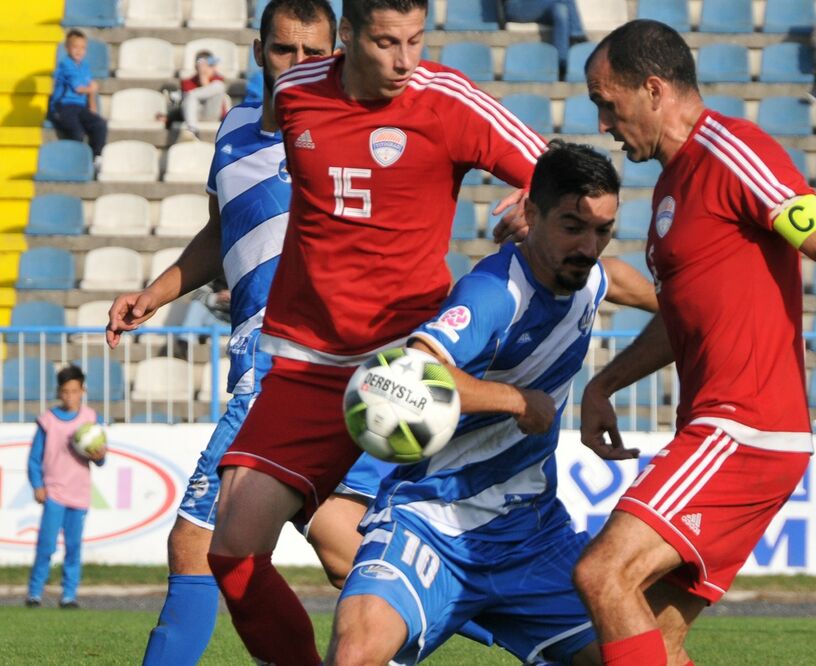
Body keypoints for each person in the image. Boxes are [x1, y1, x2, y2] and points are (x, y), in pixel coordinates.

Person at [574, 20, 816, 666]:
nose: (601, 124)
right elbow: (685, 318)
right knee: (636, 648)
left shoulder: (734, 151)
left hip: (744, 428)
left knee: (603, 574)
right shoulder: (671, 188)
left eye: (606, 102)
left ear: (652, 89)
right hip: (725, 432)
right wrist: (606, 383)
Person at [203, 0, 544, 663]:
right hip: (303, 363)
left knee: (401, 556)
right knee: (232, 550)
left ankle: (561, 628)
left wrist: (538, 199)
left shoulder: (448, 99)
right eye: (387, 42)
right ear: (349, 38)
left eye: (416, 41)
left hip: (404, 369)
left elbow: (560, 172)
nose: (405, 60)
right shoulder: (297, 91)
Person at [104, 2, 389, 663]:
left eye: (315, 53)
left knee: (197, 542)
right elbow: (221, 230)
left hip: (289, 360)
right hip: (270, 362)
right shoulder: (233, 129)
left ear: (338, 54)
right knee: (342, 546)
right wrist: (155, 293)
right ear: (259, 52)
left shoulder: (359, 129)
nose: (300, 65)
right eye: (285, 51)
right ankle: (551, 633)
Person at [332, 140, 657, 666]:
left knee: (634, 657)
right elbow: (413, 374)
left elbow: (617, 279)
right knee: (356, 654)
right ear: (532, 213)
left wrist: (605, 385)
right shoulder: (493, 292)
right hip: (431, 521)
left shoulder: (587, 275)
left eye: (602, 231)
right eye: (573, 226)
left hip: (530, 534)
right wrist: (514, 400)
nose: (588, 245)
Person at [25, 364, 106, 609]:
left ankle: (69, 594)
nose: (69, 396)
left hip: (79, 492)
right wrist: (38, 485)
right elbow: (34, 458)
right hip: (54, 491)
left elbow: (101, 459)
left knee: (73, 547)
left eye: (74, 390)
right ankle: (34, 592)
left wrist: (98, 455)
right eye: (65, 391)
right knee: (46, 544)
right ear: (58, 392)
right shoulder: (48, 421)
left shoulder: (91, 419)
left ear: (82, 390)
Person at [48, 29, 107, 169]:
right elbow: (78, 88)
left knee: (99, 124)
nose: (79, 51)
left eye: (83, 48)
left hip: (79, 107)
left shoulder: (85, 66)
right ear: (67, 47)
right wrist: (92, 89)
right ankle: (76, 162)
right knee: (77, 132)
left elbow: (90, 90)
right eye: (75, 47)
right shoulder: (65, 65)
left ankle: (96, 157)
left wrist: (92, 104)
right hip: (62, 107)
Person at [499, 0, 587, 80]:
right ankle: (577, 36)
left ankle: (561, 65)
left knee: (560, 11)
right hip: (516, 7)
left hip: (539, 5)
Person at [176, 50, 228, 141]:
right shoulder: (187, 82)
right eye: (206, 66)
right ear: (197, 67)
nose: (209, 68)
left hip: (213, 114)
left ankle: (191, 130)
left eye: (211, 65)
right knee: (190, 96)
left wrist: (204, 80)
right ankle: (192, 130)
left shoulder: (218, 79)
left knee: (219, 86)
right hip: (194, 115)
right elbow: (185, 105)